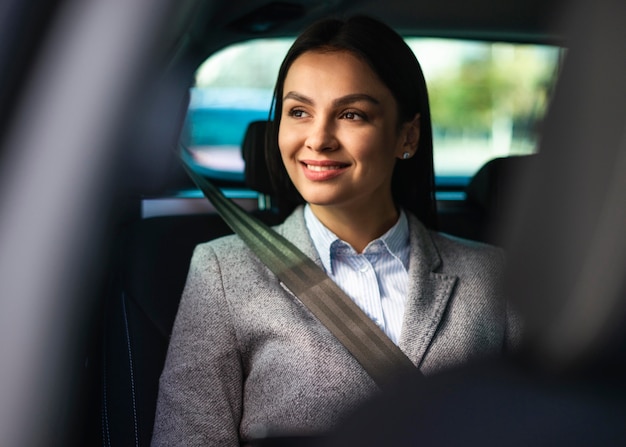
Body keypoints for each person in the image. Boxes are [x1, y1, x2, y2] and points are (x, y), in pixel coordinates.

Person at [152, 15, 517, 446]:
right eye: (299, 111)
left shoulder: (495, 276)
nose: (319, 138)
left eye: (351, 114)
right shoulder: (221, 274)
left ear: (408, 136)